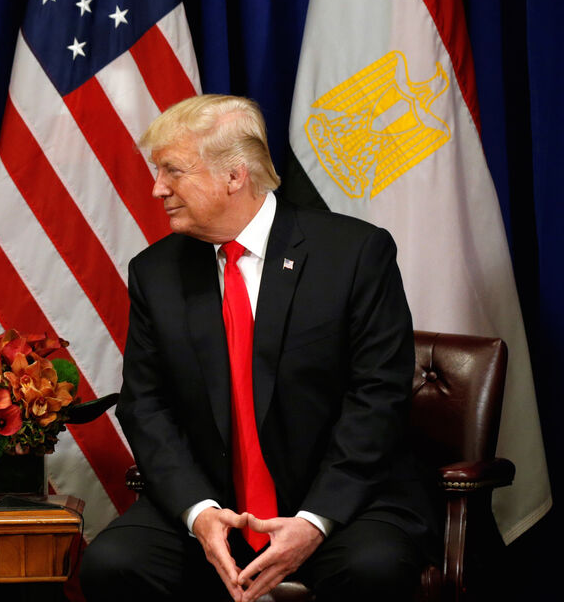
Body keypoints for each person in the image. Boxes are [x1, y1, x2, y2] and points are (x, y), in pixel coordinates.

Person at [80, 95, 435, 602]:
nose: (157, 189)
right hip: (216, 504)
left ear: (234, 176)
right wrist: (199, 512)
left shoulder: (354, 254)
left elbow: (378, 398)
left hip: (340, 502)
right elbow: (145, 404)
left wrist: (314, 521)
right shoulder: (155, 272)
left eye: (172, 171)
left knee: (373, 568)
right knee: (113, 565)